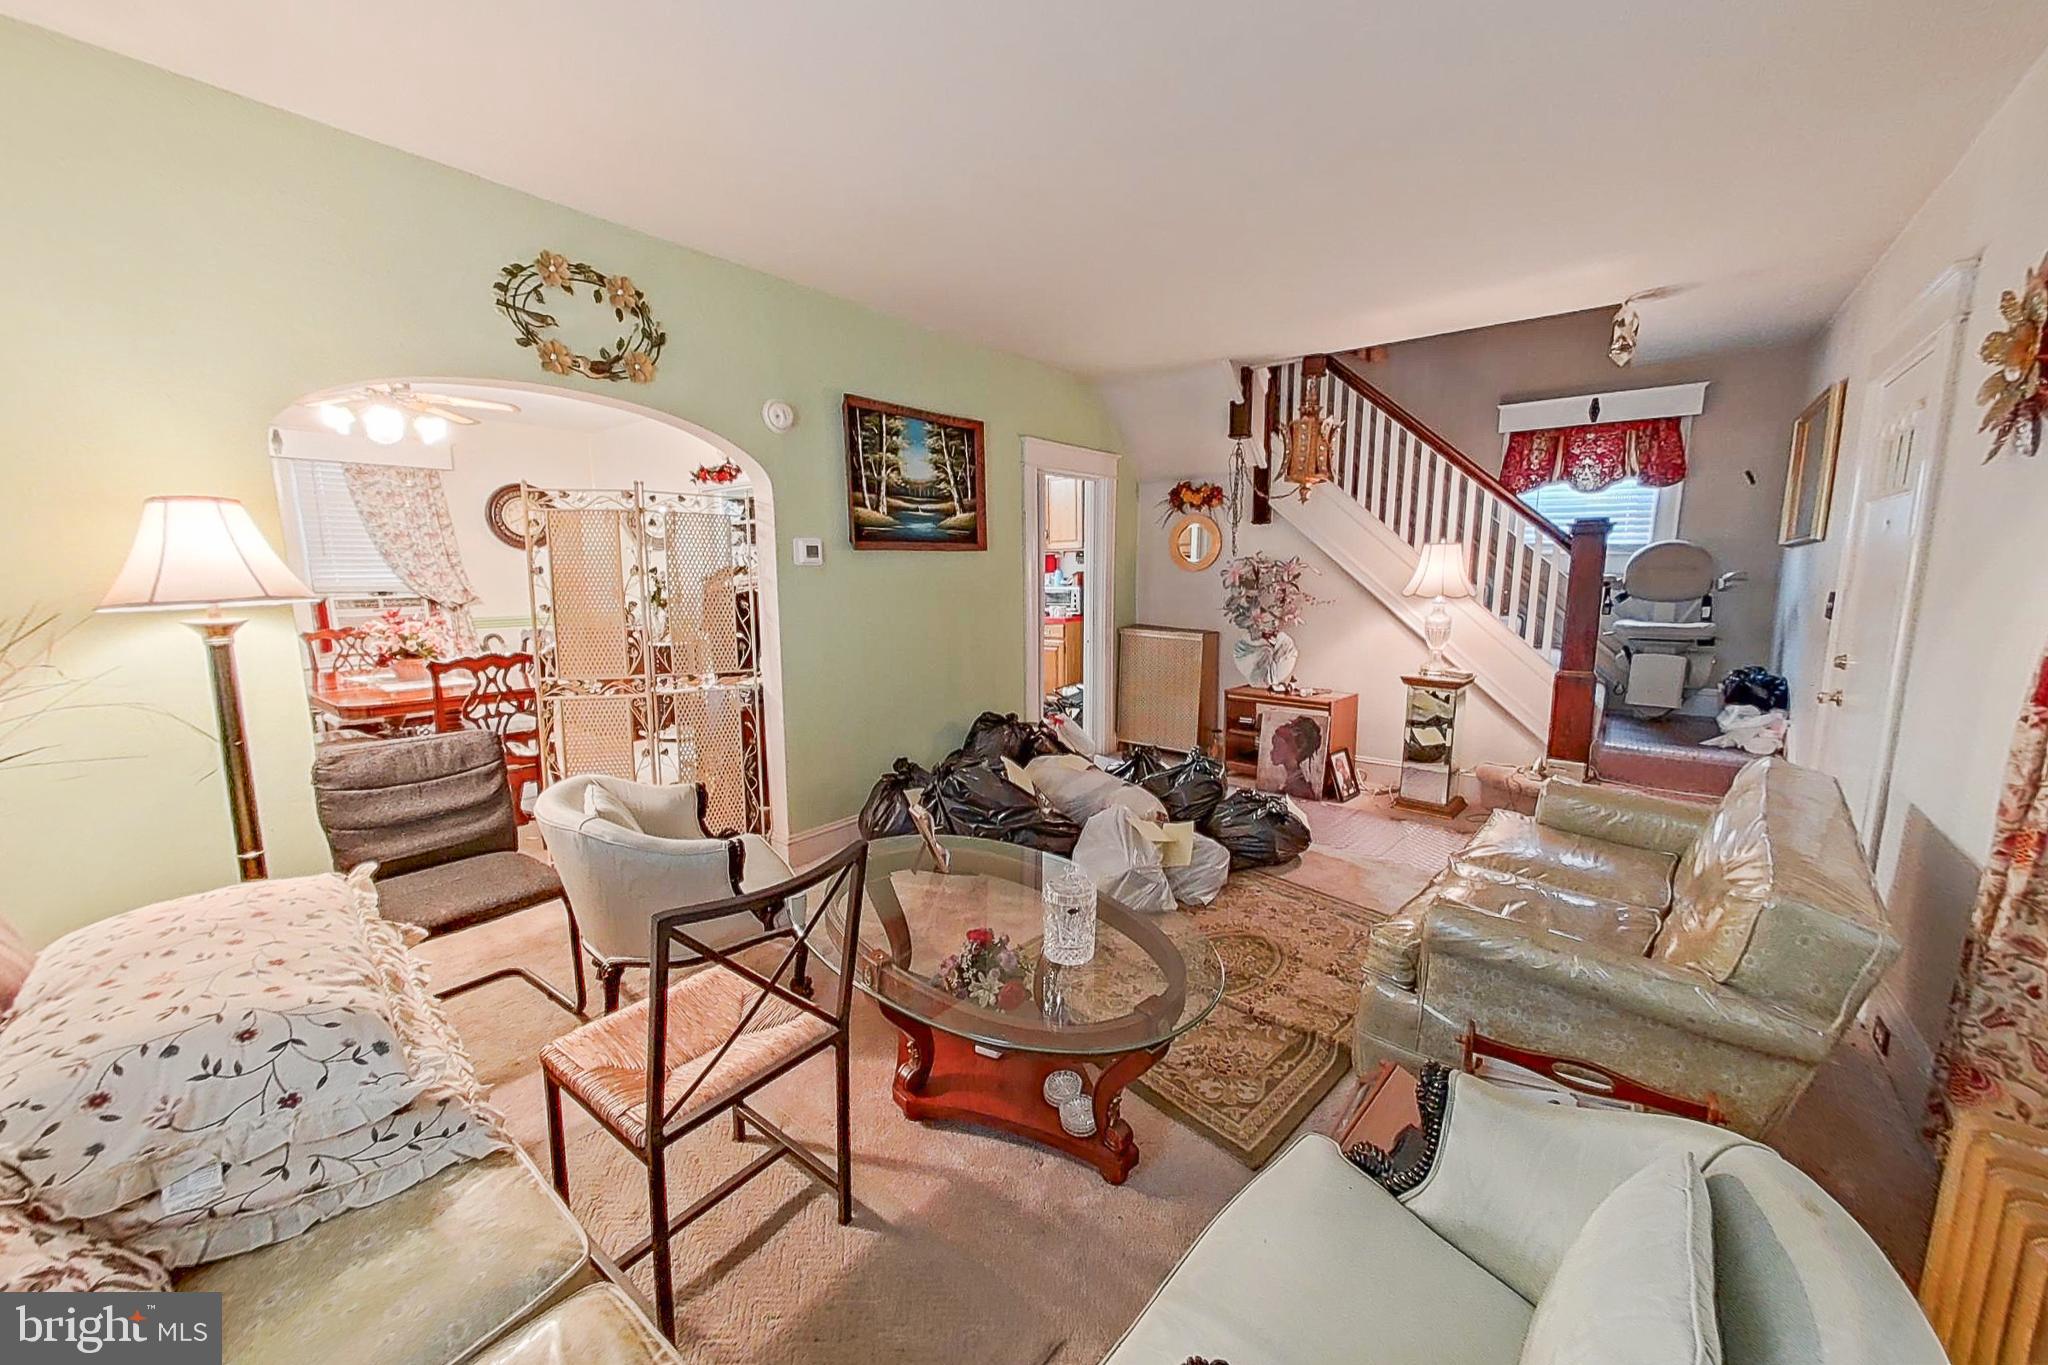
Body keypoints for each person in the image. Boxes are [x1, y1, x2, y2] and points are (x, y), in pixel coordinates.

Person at [1266, 714, 1324, 800]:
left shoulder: (1300, 789)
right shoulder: (1290, 782)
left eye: (1276, 746)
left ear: (1294, 749)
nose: (1271, 752)